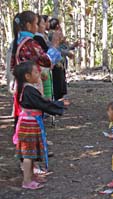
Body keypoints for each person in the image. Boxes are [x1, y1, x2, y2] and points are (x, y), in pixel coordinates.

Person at [13, 61, 68, 190]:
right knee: (28, 154)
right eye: (36, 72)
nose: (39, 74)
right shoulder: (28, 90)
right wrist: (59, 105)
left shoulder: (26, 88)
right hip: (29, 124)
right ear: (27, 76)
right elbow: (41, 104)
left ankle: (31, 176)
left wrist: (55, 103)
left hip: (31, 123)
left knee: (30, 153)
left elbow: (41, 102)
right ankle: (26, 181)